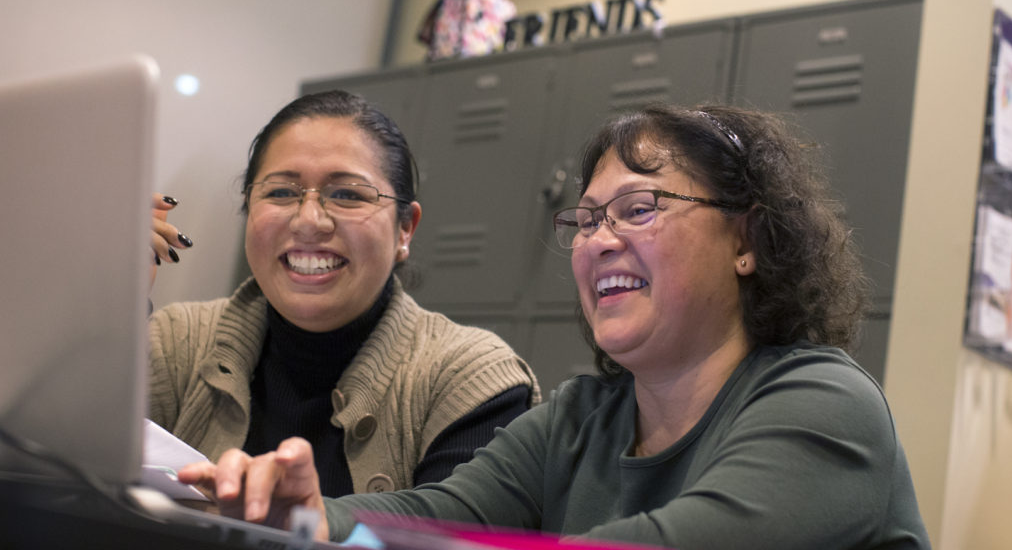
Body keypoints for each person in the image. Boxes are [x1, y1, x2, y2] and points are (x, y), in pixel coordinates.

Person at [178, 103, 931, 549]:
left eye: (639, 209)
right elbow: (437, 518)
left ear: (746, 240)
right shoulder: (579, 417)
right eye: (589, 218)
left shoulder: (825, 405)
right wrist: (308, 516)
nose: (599, 239)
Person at [147, 90, 541, 497]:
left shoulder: (469, 380)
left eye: (348, 194)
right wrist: (108, 299)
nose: (309, 221)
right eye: (281, 192)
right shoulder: (176, 343)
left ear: (405, 229)